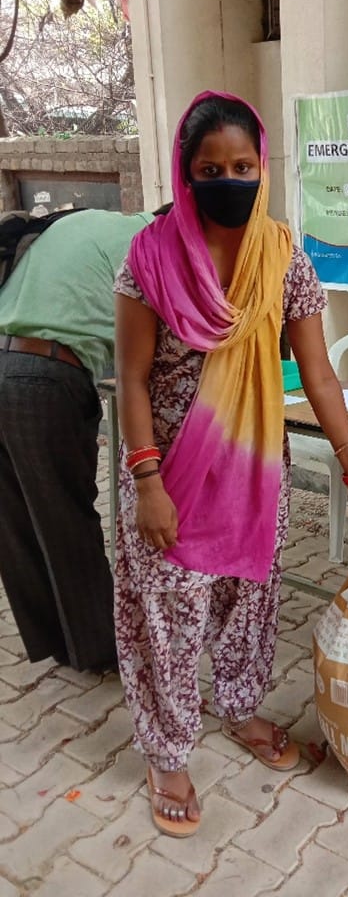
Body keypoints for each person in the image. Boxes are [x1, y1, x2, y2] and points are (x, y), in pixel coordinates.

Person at [114, 90, 348, 838]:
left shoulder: (283, 253)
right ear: (186, 171)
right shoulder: (152, 255)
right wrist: (146, 481)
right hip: (170, 475)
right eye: (210, 167)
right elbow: (131, 377)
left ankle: (236, 707)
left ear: (261, 165)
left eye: (241, 164)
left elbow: (319, 372)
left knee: (246, 601)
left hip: (254, 472)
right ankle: (167, 751)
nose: (228, 177)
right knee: (167, 618)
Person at [0, 207, 154, 671]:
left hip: (5, 359)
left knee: (16, 521)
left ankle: (54, 641)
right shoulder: (149, 243)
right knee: (68, 518)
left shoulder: (82, 221)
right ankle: (101, 652)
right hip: (46, 376)